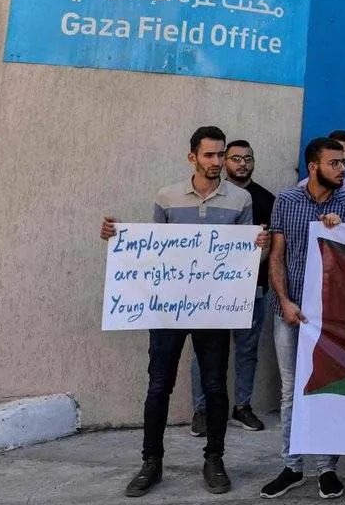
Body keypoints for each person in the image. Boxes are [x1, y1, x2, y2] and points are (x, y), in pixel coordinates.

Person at [98, 126, 268, 497]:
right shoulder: (167, 196)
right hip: (168, 312)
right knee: (159, 385)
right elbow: (151, 250)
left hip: (213, 311)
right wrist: (117, 236)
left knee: (214, 387)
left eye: (221, 155)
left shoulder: (240, 200)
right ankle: (151, 462)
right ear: (192, 157)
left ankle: (215, 459)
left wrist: (260, 246)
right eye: (209, 155)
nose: (217, 162)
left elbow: (249, 260)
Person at [261, 137, 345, 500]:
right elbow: (277, 255)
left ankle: (327, 469)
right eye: (335, 163)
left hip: (331, 317)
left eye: (344, 163)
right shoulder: (286, 200)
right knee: (291, 391)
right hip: (290, 314)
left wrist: (340, 232)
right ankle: (292, 466)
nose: (343, 169)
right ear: (313, 166)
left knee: (326, 389)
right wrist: (285, 301)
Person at [188, 139, 274, 438]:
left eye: (247, 158)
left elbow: (270, 246)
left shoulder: (266, 199)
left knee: (247, 349)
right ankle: (202, 410)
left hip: (253, 287)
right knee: (203, 350)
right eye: (235, 158)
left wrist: (259, 253)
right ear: (225, 162)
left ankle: (242, 406)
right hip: (208, 289)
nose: (242, 163)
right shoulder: (212, 196)